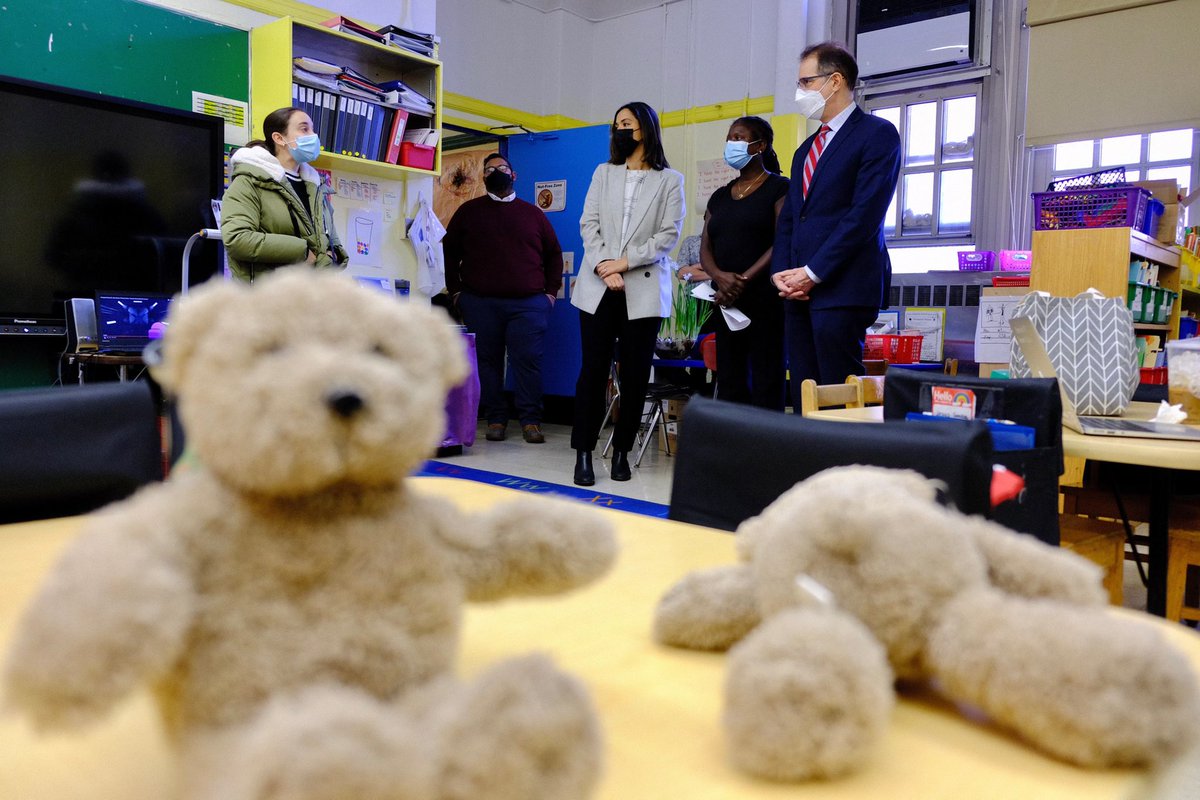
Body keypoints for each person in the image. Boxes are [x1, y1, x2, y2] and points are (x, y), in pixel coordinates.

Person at [771, 42, 901, 404]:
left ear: (835, 81)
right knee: (803, 392)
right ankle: (809, 461)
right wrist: (781, 273)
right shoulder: (804, 150)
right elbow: (791, 220)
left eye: (806, 82)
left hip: (842, 287)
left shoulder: (877, 134)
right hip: (796, 292)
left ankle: (846, 462)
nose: (800, 92)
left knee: (840, 395)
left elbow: (864, 217)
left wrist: (812, 272)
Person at [571, 102, 685, 486]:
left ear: (645, 129)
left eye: (627, 123)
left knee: (635, 375)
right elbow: (588, 223)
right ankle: (583, 453)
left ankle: (622, 452)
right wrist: (605, 264)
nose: (619, 129)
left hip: (643, 286)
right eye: (616, 124)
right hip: (597, 286)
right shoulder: (603, 173)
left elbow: (668, 236)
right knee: (592, 372)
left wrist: (625, 264)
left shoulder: (670, 180)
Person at [443, 153, 564, 445]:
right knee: (487, 363)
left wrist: (549, 294)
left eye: (502, 168)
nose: (496, 172)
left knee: (528, 362)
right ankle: (496, 418)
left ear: (514, 175)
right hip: (481, 302)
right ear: (483, 178)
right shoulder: (468, 212)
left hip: (529, 303)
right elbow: (449, 252)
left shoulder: (533, 214)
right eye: (490, 170)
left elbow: (553, 255)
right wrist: (457, 292)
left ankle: (531, 421)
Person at [700, 116, 789, 410]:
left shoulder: (779, 188)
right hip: (726, 302)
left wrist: (743, 280)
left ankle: (767, 451)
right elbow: (705, 246)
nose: (731, 144)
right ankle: (733, 451)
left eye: (738, 138)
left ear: (760, 145)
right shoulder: (720, 196)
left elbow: (782, 241)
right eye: (729, 138)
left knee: (766, 380)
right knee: (729, 381)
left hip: (765, 301)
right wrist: (719, 277)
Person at [221, 107, 347, 282]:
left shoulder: (315, 186)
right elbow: (237, 239)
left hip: (310, 298)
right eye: (304, 129)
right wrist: (301, 252)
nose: (314, 135)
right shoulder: (249, 182)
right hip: (266, 300)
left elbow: (331, 243)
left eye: (312, 129)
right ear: (279, 138)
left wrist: (333, 257)